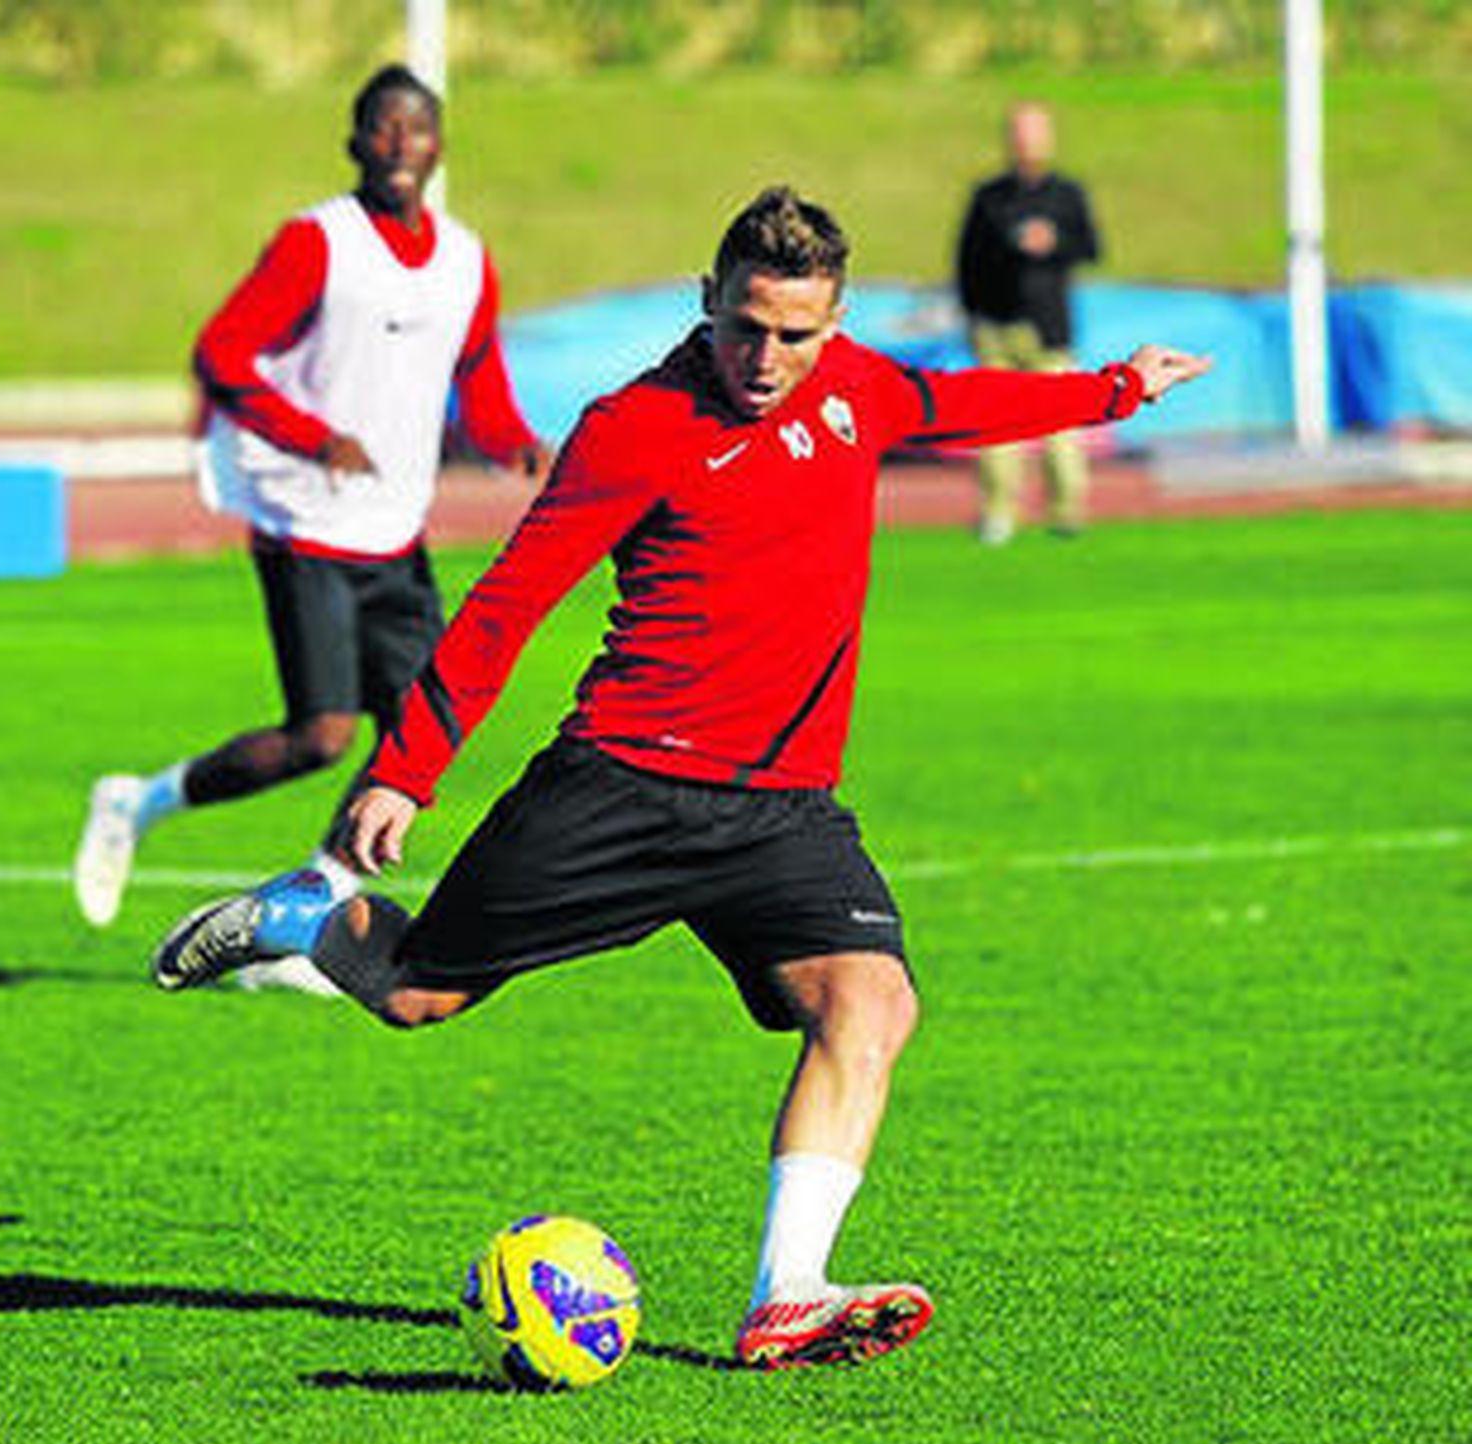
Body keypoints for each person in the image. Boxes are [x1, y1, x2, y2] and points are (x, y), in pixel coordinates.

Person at [151, 187, 1209, 1370]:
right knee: (412, 995)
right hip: (622, 786)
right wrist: (404, 770)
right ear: (708, 300)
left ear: (835, 322)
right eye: (745, 326)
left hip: (783, 809)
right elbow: (508, 603)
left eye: (794, 334)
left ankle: (786, 1292)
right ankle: (307, 915)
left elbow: (957, 403)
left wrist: (1115, 389)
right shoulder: (634, 427)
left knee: (870, 1006)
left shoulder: (855, 386)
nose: (765, 358)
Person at [73, 63, 548, 951]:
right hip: (307, 525)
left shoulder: (465, 260)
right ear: (354, 141)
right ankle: (139, 801)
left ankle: (303, 918)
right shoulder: (317, 242)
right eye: (383, 126)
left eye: (416, 128)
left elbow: (478, 376)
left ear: (440, 146)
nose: (400, 143)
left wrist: (512, 442)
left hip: (395, 535)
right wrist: (312, 437)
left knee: (421, 733)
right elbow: (222, 353)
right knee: (321, 736)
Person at [956, 100, 1102, 544]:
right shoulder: (989, 197)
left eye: (1034, 133)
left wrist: (1053, 243)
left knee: (1060, 424)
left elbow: (1091, 248)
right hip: (996, 325)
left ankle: (1067, 510)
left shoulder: (1067, 194)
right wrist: (973, 314)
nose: (1026, 142)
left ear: (1049, 139)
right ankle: (999, 512)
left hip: (1048, 327)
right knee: (997, 426)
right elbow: (966, 260)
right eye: (1019, 133)